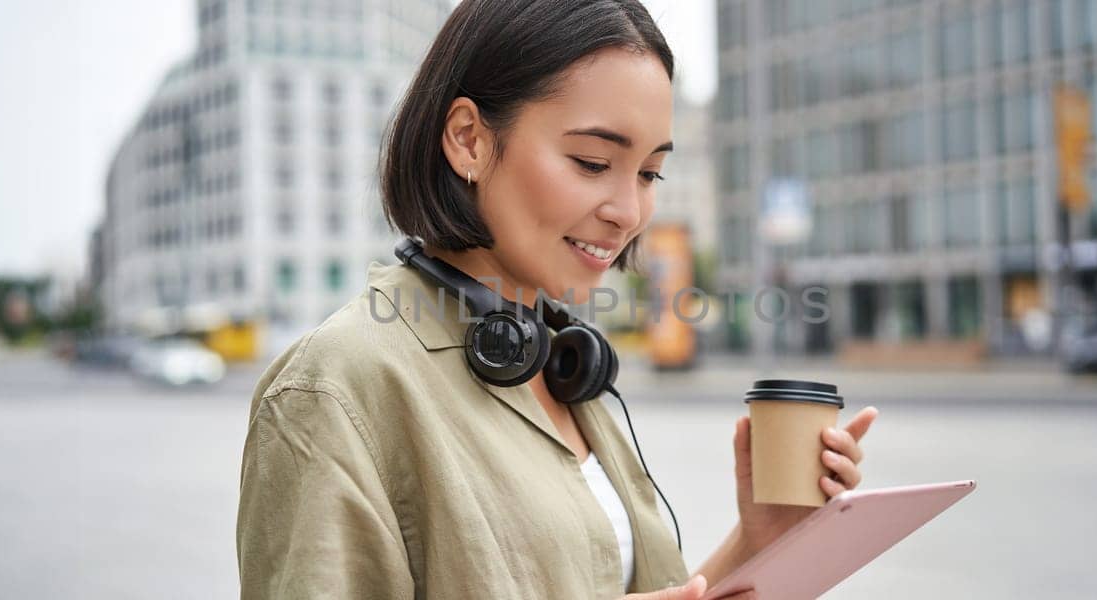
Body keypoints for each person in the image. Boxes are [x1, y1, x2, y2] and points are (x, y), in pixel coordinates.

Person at [234, 1, 878, 598]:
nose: (629, 212)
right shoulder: (335, 392)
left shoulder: (563, 363)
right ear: (469, 139)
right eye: (594, 162)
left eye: (651, 173)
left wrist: (758, 537)